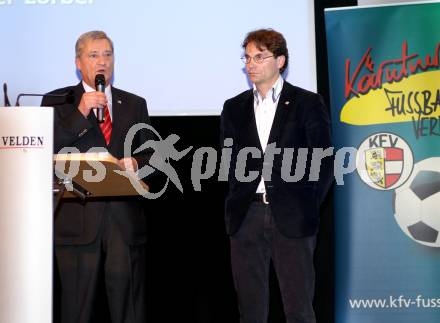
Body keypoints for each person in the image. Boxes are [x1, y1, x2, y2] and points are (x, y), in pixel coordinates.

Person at [220, 29, 333, 323]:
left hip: (293, 216)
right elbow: (229, 162)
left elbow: (324, 161)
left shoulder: (307, 102)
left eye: (259, 56)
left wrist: (307, 203)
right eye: (247, 57)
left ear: (280, 60)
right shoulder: (234, 108)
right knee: (251, 310)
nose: (251, 64)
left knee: (298, 310)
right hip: (247, 216)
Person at [42, 30, 153, 323]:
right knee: (76, 311)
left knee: (129, 311)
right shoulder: (57, 101)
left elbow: (153, 157)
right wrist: (81, 112)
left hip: (124, 222)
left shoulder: (134, 104)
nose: (102, 62)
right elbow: (47, 148)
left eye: (107, 54)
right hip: (77, 221)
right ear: (78, 62)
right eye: (94, 55)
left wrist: (136, 164)